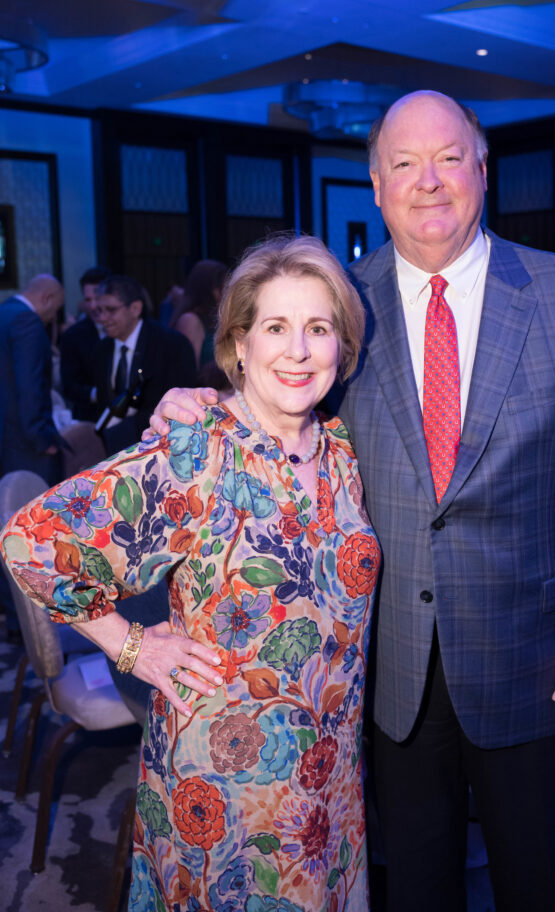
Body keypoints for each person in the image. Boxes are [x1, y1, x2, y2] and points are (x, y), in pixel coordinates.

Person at [150, 91, 555, 912]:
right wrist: (199, 404)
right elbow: (280, 399)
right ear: (375, 187)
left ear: (481, 172)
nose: (429, 182)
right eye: (404, 165)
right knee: (413, 887)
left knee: (540, 884)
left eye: (449, 158)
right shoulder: (343, 308)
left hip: (536, 670)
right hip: (387, 673)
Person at [0, 236, 377, 912]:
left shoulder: (341, 449)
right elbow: (32, 540)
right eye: (275, 327)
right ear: (238, 344)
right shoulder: (199, 448)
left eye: (317, 328)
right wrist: (132, 645)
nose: (297, 349)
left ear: (341, 345)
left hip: (328, 780)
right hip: (225, 785)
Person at [93, 274, 197, 455]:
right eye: (99, 311)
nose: (103, 318)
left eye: (110, 310)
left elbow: (182, 400)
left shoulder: (171, 345)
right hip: (112, 453)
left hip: (161, 448)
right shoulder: (101, 349)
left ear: (135, 308)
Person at [0, 273, 65, 485]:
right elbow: (30, 385)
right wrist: (41, 438)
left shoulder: (5, 311)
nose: (54, 317)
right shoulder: (27, 321)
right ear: (47, 298)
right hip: (23, 440)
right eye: (56, 309)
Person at [59, 265, 111, 421]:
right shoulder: (73, 335)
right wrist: (99, 394)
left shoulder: (128, 329)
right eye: (88, 300)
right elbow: (69, 387)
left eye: (98, 299)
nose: (93, 306)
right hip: (90, 420)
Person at [170, 259, 229, 368]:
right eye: (221, 287)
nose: (226, 292)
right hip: (204, 384)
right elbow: (190, 369)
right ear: (206, 289)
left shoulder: (217, 317)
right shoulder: (190, 320)